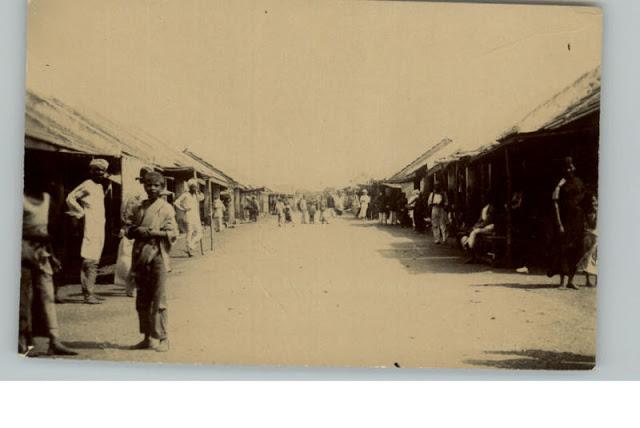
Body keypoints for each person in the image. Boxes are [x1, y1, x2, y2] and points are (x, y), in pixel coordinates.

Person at [19, 176, 78, 356]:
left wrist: (51, 254)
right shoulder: (20, 200)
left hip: (42, 254)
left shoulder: (46, 200)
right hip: (22, 253)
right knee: (23, 299)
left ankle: (55, 339)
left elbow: (47, 230)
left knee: (47, 296)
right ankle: (22, 341)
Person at [127, 172, 178, 352]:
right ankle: (147, 337)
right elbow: (129, 230)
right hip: (140, 255)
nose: (152, 188)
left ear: (162, 187)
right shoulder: (139, 207)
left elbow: (173, 234)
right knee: (142, 298)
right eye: (148, 185)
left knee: (159, 298)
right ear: (144, 186)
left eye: (156, 185)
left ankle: (163, 338)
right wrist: (134, 230)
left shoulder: (166, 208)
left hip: (157, 256)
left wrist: (151, 232)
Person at [65, 158, 109, 305]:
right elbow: (70, 198)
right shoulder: (87, 185)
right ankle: (88, 294)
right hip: (90, 226)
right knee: (89, 260)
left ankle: (91, 291)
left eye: (102, 171)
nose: (100, 173)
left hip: (99, 226)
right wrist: (80, 212)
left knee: (95, 259)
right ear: (90, 171)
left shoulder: (99, 187)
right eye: (96, 170)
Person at [548, 157, 585, 289]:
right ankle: (563, 280)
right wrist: (559, 223)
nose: (570, 169)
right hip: (564, 220)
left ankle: (571, 280)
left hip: (578, 220)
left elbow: (583, 200)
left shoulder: (579, 182)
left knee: (576, 249)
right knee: (563, 249)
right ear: (563, 169)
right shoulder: (559, 183)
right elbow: (555, 204)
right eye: (567, 167)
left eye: (571, 166)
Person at [174, 179, 204, 257]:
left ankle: (191, 245)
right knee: (190, 232)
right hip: (188, 215)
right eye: (193, 187)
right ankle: (189, 251)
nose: (194, 188)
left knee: (199, 233)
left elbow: (202, 198)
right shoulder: (185, 194)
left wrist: (199, 191)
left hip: (196, 215)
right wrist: (183, 209)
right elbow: (176, 202)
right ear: (190, 187)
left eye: (196, 187)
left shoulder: (196, 195)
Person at [461, 197, 495, 262]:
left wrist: (479, 226)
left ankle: (470, 248)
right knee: (465, 237)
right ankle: (471, 252)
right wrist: (476, 225)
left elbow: (488, 220)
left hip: (489, 226)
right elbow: (480, 220)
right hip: (482, 226)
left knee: (474, 232)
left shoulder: (491, 208)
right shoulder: (484, 208)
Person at [578, 194, 598, 287]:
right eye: (592, 202)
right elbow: (591, 225)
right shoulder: (587, 214)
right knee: (587, 256)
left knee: (597, 257)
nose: (594, 203)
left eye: (595, 201)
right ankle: (587, 280)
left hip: (597, 236)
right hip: (589, 235)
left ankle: (597, 280)